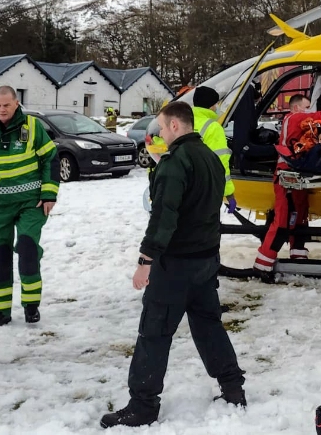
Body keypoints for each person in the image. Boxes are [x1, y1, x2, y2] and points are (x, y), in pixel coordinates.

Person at [100, 101, 246, 429]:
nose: (161, 134)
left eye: (163, 128)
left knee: (154, 332)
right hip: (206, 261)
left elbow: (164, 216)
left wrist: (146, 260)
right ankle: (233, 388)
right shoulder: (211, 158)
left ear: (176, 126)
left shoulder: (175, 162)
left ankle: (142, 405)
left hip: (175, 265)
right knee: (209, 326)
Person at [0, 85, 58, 330]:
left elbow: (50, 159)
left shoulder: (32, 127)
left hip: (30, 203)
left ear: (16, 104)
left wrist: (49, 193)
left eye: (6, 105)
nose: (1, 110)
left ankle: (31, 305)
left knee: (27, 249)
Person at [252, 94, 321, 278]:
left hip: (298, 172)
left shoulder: (302, 122)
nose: (309, 110)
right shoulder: (294, 118)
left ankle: (298, 253)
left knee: (300, 214)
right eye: (306, 106)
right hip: (286, 173)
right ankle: (263, 264)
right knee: (283, 218)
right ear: (296, 108)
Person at [190, 86, 236, 214]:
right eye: (216, 104)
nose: (217, 107)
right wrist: (229, 193)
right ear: (210, 106)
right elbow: (220, 164)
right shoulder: (213, 128)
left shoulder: (184, 121)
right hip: (205, 190)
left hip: (183, 187)